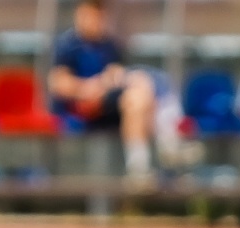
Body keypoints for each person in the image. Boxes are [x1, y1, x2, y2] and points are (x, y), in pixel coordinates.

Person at [48, 0, 161, 181]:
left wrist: (114, 79)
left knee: (140, 91)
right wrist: (89, 87)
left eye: (98, 16)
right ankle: (161, 152)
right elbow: (58, 84)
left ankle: (142, 167)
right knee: (138, 92)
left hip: (109, 102)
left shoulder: (109, 46)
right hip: (83, 105)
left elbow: (116, 74)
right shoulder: (68, 45)